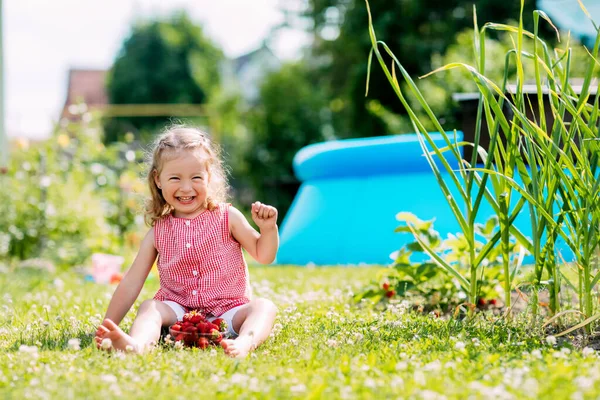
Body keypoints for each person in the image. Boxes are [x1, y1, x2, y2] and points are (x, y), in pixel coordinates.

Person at [94, 125, 279, 358]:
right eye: (175, 177)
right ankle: (138, 345)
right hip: (178, 312)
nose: (186, 187)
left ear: (209, 177)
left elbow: (264, 255)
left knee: (264, 307)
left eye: (196, 177)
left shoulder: (228, 217)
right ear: (158, 179)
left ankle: (243, 343)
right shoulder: (158, 232)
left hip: (229, 312)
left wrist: (268, 229)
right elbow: (132, 281)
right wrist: (107, 325)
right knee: (149, 308)